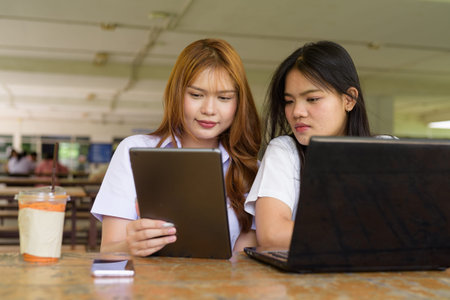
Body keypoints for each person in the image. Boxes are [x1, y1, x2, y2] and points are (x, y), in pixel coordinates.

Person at [91, 39, 261, 256]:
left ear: (239, 103)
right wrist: (131, 245)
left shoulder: (250, 169)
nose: (209, 109)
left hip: (220, 288)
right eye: (196, 95)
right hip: (149, 286)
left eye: (224, 98)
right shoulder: (135, 151)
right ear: (177, 94)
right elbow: (109, 250)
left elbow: (241, 261)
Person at [244, 41, 375, 249]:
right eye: (289, 101)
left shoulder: (386, 149)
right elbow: (272, 234)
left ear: (349, 99)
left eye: (312, 99)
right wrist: (368, 232)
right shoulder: (285, 152)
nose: (297, 112)